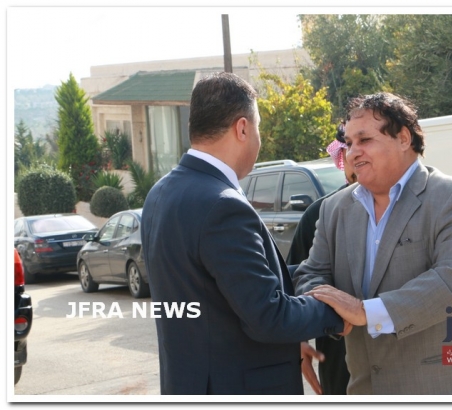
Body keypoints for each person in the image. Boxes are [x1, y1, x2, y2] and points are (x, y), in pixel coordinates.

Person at [140, 72, 347, 395]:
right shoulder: (221, 204)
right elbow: (268, 315)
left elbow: (227, 289)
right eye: (258, 127)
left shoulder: (161, 192)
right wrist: (340, 310)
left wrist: (318, 277)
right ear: (242, 128)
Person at [293, 92, 452, 395]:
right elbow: (311, 273)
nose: (353, 152)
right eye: (349, 143)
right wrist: (328, 313)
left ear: (403, 138)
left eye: (365, 140)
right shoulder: (333, 209)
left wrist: (365, 311)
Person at [286, 131, 357, 395]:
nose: (356, 156)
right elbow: (293, 284)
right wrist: (297, 341)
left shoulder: (421, 208)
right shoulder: (319, 213)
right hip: (339, 363)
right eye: (349, 147)